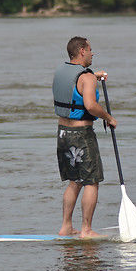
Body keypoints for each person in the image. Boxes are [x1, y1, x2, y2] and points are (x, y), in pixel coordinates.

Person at [52, 36, 117, 238]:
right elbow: (90, 106)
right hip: (81, 135)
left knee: (74, 181)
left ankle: (66, 227)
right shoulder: (86, 77)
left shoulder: (62, 71)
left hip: (63, 134)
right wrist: (109, 117)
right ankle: (86, 230)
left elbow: (75, 87)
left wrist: (92, 77)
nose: (92, 53)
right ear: (81, 51)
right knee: (91, 180)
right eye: (90, 50)